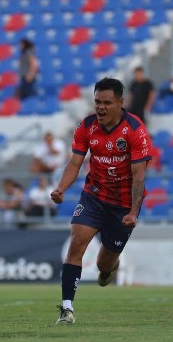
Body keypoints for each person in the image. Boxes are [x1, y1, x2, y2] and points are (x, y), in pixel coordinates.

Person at [51, 77, 152, 325]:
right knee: (77, 243)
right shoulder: (86, 127)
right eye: (97, 102)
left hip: (123, 205)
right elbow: (75, 162)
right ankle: (67, 309)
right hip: (94, 196)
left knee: (103, 263)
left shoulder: (135, 130)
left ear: (120, 103)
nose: (101, 107)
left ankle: (108, 269)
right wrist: (61, 188)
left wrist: (133, 212)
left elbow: (139, 177)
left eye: (107, 102)